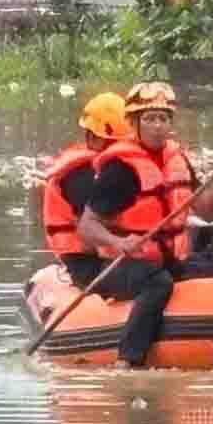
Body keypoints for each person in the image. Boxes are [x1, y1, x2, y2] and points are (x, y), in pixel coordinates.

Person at [76, 81, 213, 368]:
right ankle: (128, 359)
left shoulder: (178, 159)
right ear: (135, 124)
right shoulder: (121, 169)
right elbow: (87, 226)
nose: (158, 126)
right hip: (125, 265)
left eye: (163, 118)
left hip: (170, 258)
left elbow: (207, 212)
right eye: (149, 119)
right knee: (158, 282)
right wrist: (119, 242)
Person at [41, 92, 134, 288]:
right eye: (114, 143)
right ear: (92, 137)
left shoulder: (114, 169)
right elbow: (95, 226)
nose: (119, 149)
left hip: (115, 256)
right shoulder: (79, 175)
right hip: (87, 263)